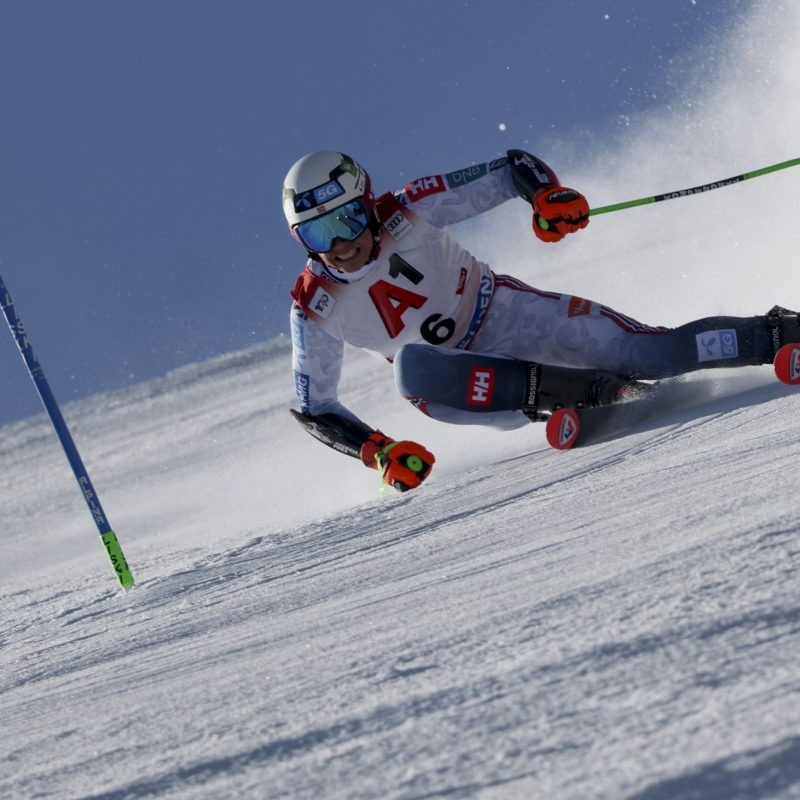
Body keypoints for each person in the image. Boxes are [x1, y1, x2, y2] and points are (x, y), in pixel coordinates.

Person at [284, 149, 799, 492]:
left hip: (510, 315)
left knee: (653, 354)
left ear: (368, 206)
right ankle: (571, 396)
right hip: (466, 379)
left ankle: (778, 334)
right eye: (317, 236)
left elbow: (511, 167)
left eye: (347, 221)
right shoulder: (314, 306)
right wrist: (378, 452)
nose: (340, 246)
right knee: (413, 368)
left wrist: (544, 196)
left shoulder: (408, 209)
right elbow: (315, 406)